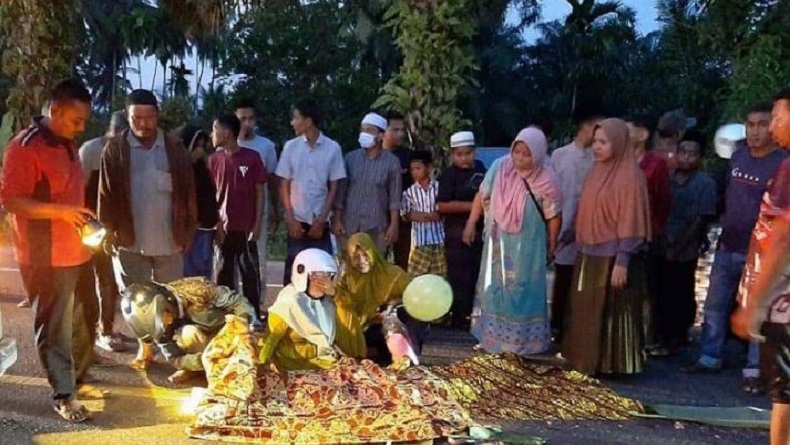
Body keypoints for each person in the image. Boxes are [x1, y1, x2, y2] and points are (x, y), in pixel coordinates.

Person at [1, 79, 100, 422]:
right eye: (76, 120)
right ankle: (64, 395)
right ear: (55, 111)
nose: (81, 128)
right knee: (55, 326)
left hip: (77, 249)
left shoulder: (67, 142)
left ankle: (77, 377)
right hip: (45, 255)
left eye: (84, 121)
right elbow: (12, 201)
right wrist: (62, 213)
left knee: (86, 316)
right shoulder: (24, 147)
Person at [683, 103, 788, 392]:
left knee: (758, 309)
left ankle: (755, 369)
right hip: (728, 244)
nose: (755, 131)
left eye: (762, 124)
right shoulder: (737, 157)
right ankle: (709, 356)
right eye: (750, 125)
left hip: (762, 252)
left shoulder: (782, 163)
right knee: (715, 305)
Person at [562, 118, 650, 375]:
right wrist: (570, 234)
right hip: (588, 253)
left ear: (619, 143)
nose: (597, 147)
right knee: (586, 309)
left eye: (603, 142)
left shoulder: (630, 177)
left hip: (612, 258)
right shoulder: (597, 170)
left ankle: (612, 364)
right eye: (595, 142)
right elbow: (587, 207)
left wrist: (622, 261)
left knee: (610, 310)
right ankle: (585, 359)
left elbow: (631, 220)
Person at [463, 127, 562, 355]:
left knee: (524, 288)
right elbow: (482, 194)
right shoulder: (500, 167)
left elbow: (553, 215)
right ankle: (491, 338)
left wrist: (552, 243)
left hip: (529, 246)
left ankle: (523, 343)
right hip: (498, 241)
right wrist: (471, 223)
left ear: (538, 154)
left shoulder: (547, 179)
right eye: (516, 152)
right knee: (494, 286)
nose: (519, 158)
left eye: (527, 154)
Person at [731, 86, 790, 445]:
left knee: (785, 397)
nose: (771, 127)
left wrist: (754, 304)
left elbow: (781, 239)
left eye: (778, 118)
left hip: (785, 306)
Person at [98, 89, 197, 287]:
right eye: (137, 118)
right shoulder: (115, 150)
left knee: (171, 298)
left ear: (157, 115)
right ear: (127, 116)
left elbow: (188, 193)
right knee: (136, 300)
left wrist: (188, 231)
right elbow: (106, 195)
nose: (143, 124)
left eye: (149, 117)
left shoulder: (175, 148)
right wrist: (107, 230)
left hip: (170, 243)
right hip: (129, 243)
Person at [121, 277, 256, 384]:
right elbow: (174, 358)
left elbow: (238, 302)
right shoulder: (159, 327)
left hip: (231, 335)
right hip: (207, 351)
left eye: (165, 318)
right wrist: (200, 360)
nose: (168, 324)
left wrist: (243, 324)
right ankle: (202, 369)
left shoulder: (198, 289)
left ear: (167, 303)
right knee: (187, 334)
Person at [656, 133, 716, 354]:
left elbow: (701, 219)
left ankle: (679, 334)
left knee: (682, 289)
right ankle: (661, 333)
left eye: (692, 153)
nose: (686, 157)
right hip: (662, 242)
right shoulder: (666, 178)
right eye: (683, 152)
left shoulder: (705, 183)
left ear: (700, 157)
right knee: (661, 289)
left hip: (687, 247)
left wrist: (679, 246)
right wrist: (664, 242)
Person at [276, 98, 346, 285]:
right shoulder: (290, 147)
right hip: (297, 221)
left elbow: (334, 186)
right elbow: (284, 183)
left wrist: (322, 218)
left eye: (296, 118)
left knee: (321, 272)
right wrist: (290, 217)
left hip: (319, 222)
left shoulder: (332, 148)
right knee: (293, 272)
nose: (292, 122)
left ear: (308, 121)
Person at [258, 248, 364, 371]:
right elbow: (270, 340)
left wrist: (335, 293)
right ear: (303, 275)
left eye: (329, 276)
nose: (325, 282)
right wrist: (260, 366)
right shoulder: (289, 302)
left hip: (325, 361)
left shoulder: (329, 300)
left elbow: (348, 309)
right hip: (295, 365)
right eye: (319, 276)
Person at [208, 114, 266, 327]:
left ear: (226, 133)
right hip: (223, 229)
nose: (212, 134)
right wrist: (217, 224)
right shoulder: (213, 160)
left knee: (249, 274)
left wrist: (257, 224)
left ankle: (253, 317)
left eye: (214, 129)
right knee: (223, 274)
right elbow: (210, 195)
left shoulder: (252, 158)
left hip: (246, 228)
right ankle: (226, 318)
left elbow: (260, 192)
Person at [78, 110, 128, 353]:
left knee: (114, 281)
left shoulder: (128, 152)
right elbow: (79, 191)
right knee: (101, 279)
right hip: (93, 227)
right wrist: (86, 224)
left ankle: (105, 327)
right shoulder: (90, 150)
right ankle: (101, 331)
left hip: (117, 226)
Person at [550, 112, 601, 342]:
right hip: (561, 224)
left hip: (589, 228)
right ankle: (557, 326)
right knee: (563, 277)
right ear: (584, 125)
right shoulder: (560, 155)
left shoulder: (597, 158)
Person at [626, 114, 670, 356]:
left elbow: (663, 201)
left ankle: (649, 340)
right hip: (622, 235)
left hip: (649, 235)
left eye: (628, 130)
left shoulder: (656, 164)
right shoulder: (618, 161)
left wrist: (653, 229)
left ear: (643, 135)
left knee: (648, 291)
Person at [334, 232, 413, 365]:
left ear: (373, 253)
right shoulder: (346, 276)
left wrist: (393, 304)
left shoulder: (392, 273)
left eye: (365, 255)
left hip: (383, 326)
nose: (362, 261)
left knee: (406, 317)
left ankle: (402, 359)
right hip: (357, 329)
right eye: (356, 257)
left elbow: (413, 294)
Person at [437, 131, 486, 330]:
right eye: (459, 154)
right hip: (456, 233)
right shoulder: (449, 175)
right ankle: (456, 315)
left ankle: (469, 314)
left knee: (475, 273)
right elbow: (442, 205)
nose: (464, 158)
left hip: (480, 232)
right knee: (457, 275)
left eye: (468, 153)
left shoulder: (481, 169)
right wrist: (475, 207)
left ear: (474, 152)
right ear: (452, 155)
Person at [333, 112, 401, 254]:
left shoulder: (392, 162)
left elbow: (394, 198)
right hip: (349, 225)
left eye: (369, 130)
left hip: (376, 226)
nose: (364, 133)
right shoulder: (350, 159)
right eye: (363, 130)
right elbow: (341, 193)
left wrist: (394, 226)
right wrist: (337, 219)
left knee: (374, 265)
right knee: (349, 264)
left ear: (381, 136)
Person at [400, 150, 445, 351]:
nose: (415, 172)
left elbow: (443, 209)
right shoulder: (410, 192)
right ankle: (416, 313)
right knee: (416, 278)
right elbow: (405, 213)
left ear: (428, 168)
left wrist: (437, 214)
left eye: (419, 168)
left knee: (438, 277)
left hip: (438, 239)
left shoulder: (439, 188)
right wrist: (424, 216)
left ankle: (436, 315)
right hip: (419, 241)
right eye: (412, 169)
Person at [235, 99, 279, 295]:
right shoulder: (225, 145)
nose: (247, 123)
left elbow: (272, 179)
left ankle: (258, 301)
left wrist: (275, 209)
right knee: (229, 260)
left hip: (257, 214)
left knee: (258, 258)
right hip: (231, 215)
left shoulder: (266, 146)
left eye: (250, 119)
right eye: (242, 119)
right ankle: (230, 301)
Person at [180, 125, 218, 279]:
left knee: (202, 276)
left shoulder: (203, 171)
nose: (201, 151)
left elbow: (211, 199)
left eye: (203, 147)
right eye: (197, 147)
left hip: (204, 230)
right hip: (185, 231)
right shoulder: (178, 172)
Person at [383, 111, 413, 269]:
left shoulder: (410, 157)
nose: (400, 134)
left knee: (403, 263)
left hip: (404, 220)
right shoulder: (372, 155)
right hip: (378, 217)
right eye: (395, 130)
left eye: (402, 130)